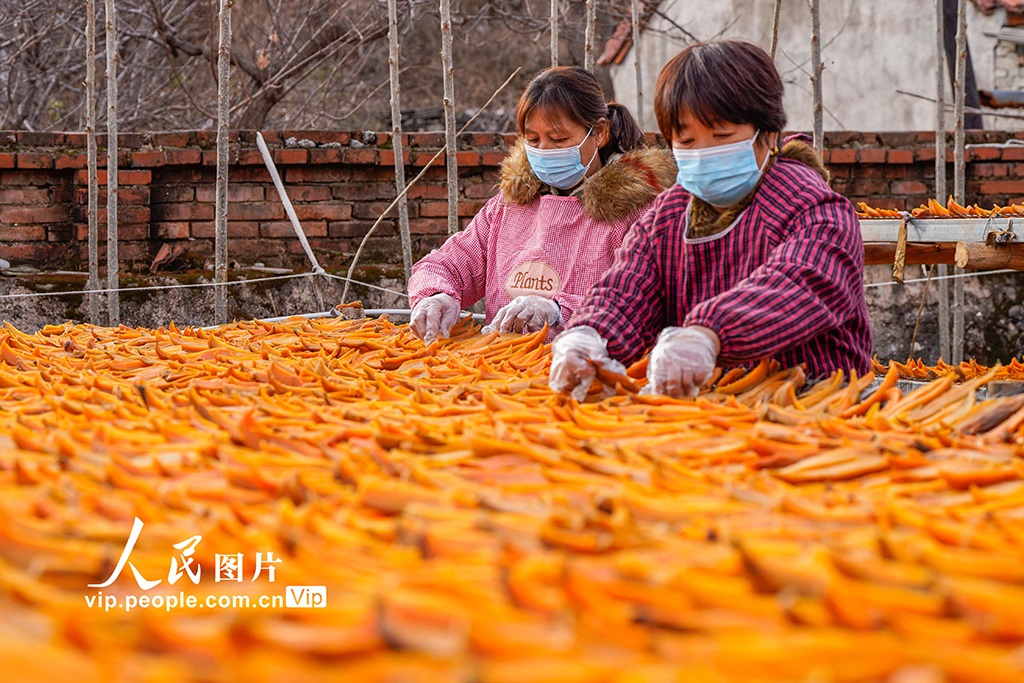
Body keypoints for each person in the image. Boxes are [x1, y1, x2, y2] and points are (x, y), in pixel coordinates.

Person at [549, 39, 872, 401]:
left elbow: (801, 282)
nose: (703, 153)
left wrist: (709, 333)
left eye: (722, 136)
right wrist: (589, 334)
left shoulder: (812, 206)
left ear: (767, 133)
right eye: (686, 141)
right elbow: (627, 288)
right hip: (709, 414)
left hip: (817, 406)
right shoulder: (667, 215)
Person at [407, 66, 676, 345]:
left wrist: (559, 311)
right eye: (533, 140)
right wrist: (436, 295)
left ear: (599, 133)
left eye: (558, 139)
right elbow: (450, 263)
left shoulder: (639, 212)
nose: (544, 150)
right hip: (496, 375)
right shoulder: (508, 206)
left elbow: (641, 298)